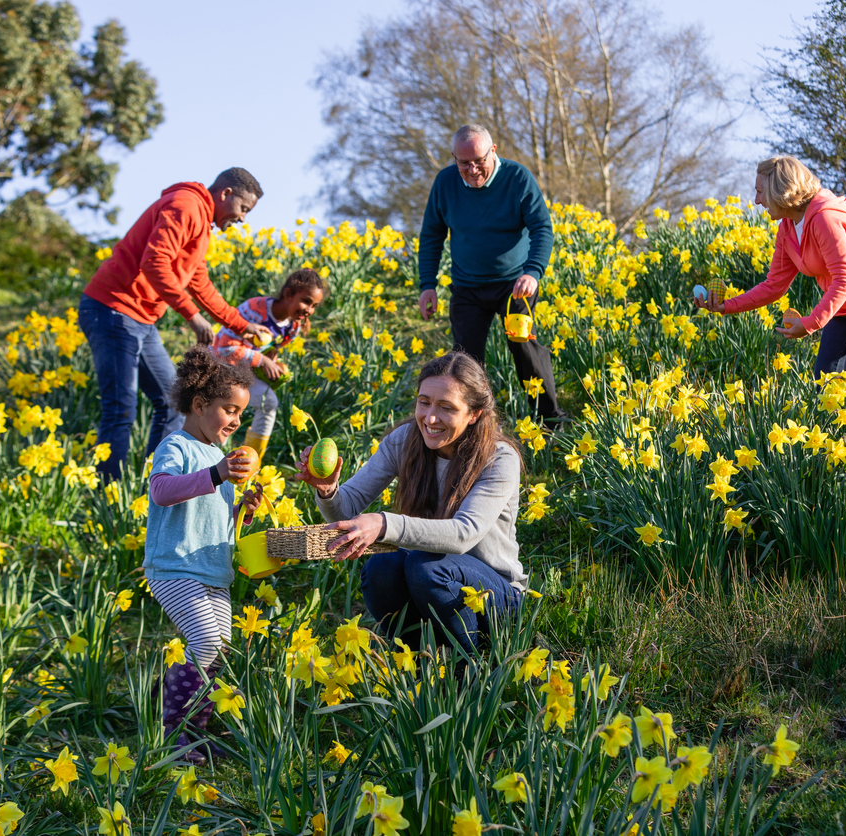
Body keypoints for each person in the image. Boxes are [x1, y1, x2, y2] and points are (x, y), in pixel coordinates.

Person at [294, 351, 525, 653]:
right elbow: (347, 509)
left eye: (446, 408)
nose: (430, 418)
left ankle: (471, 662)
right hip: (433, 584)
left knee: (424, 565)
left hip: (495, 598)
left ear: (474, 414)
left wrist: (383, 523)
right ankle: (416, 657)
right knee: (382, 566)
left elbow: (463, 533)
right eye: (424, 401)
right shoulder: (405, 441)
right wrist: (328, 491)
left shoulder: (499, 458)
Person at [79, 167, 273, 479]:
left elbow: (200, 283)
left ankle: (154, 488)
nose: (242, 219)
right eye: (243, 209)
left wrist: (242, 325)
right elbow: (153, 263)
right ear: (225, 194)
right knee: (121, 409)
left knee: (172, 402)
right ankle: (108, 494)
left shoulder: (201, 222)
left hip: (140, 318)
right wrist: (192, 316)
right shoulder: (186, 205)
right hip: (112, 309)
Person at [143, 347, 263, 765]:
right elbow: (162, 491)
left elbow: (212, 517)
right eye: (229, 410)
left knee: (221, 648)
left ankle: (193, 726)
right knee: (206, 641)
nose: (235, 422)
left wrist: (242, 509)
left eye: (240, 414)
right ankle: (174, 730)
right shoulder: (175, 445)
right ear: (199, 405)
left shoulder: (218, 458)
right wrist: (217, 474)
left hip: (211, 568)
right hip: (174, 568)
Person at [699, 156, 846, 384]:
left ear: (780, 191)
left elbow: (845, 279)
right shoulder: (787, 229)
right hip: (844, 304)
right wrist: (726, 306)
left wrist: (810, 323)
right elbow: (773, 286)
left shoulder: (825, 219)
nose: (757, 201)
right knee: (825, 379)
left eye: (760, 192)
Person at [417, 125, 567, 428]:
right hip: (467, 287)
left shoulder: (517, 178)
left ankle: (551, 421)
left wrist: (532, 272)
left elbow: (542, 228)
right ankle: (478, 428)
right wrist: (427, 285)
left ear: (493, 151)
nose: (472, 169)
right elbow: (432, 235)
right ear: (454, 160)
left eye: (479, 160)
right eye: (463, 163)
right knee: (465, 362)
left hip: (515, 284)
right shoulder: (445, 183)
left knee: (522, 344)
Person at [211, 268, 328, 458]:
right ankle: (214, 460)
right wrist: (262, 360)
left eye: (314, 305)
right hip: (218, 368)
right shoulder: (253, 310)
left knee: (269, 402)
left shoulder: (293, 326)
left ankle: (250, 460)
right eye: (306, 301)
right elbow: (223, 349)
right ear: (288, 294)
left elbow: (270, 348)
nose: (310, 310)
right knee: (224, 411)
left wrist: (272, 362)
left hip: (243, 371)